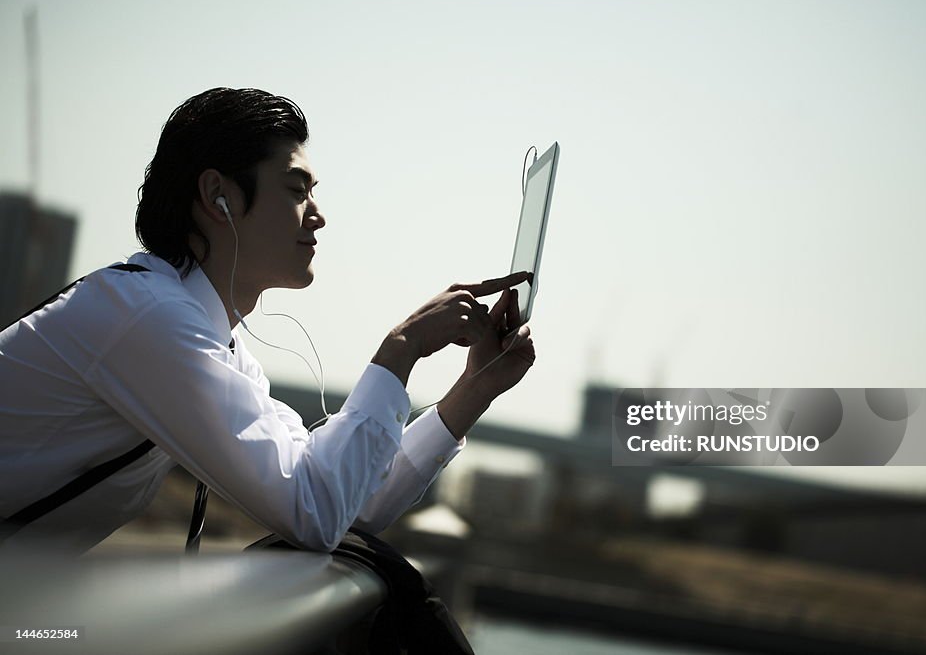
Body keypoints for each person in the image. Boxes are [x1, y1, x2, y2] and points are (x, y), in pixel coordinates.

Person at [0, 87, 536, 652]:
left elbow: (350, 499)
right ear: (218, 196)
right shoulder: (146, 316)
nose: (319, 216)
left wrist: (475, 389)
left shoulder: (209, 344)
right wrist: (400, 349)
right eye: (296, 190)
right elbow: (313, 510)